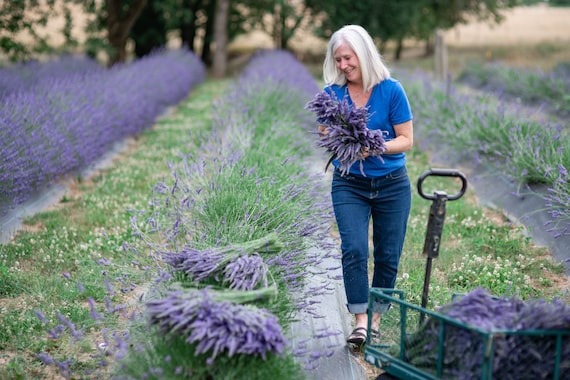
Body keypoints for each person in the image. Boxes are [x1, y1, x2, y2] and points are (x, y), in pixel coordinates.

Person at [319, 25, 414, 346]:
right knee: (355, 249)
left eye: (348, 58)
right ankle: (359, 321)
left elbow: (406, 140)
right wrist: (335, 136)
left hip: (392, 185)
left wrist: (374, 146)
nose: (343, 65)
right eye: (338, 60)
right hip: (350, 184)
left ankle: (374, 320)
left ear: (363, 54)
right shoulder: (332, 94)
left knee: (388, 254)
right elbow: (323, 132)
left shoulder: (391, 90)